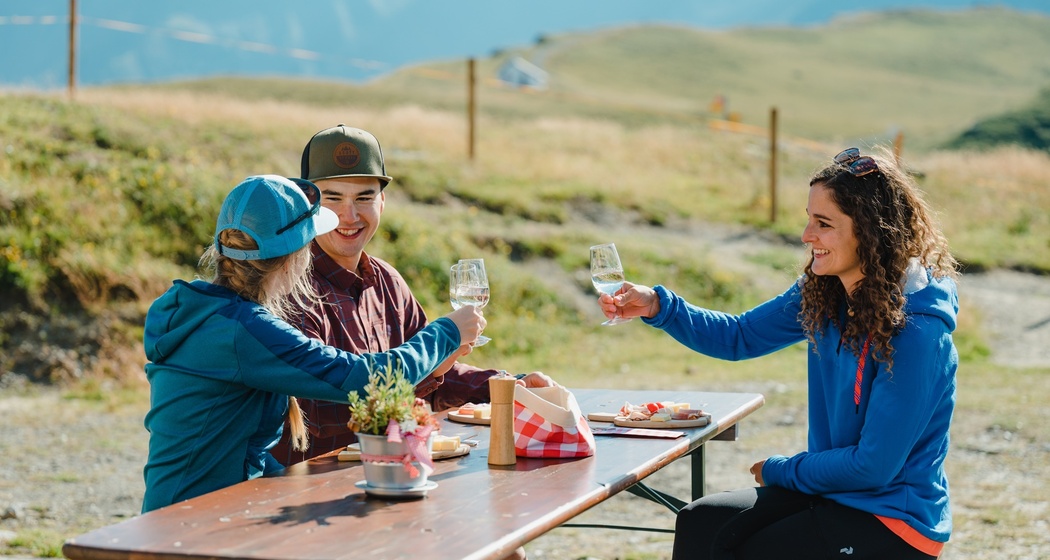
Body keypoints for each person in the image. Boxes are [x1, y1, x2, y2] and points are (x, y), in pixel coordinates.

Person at [599, 148, 958, 559]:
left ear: (871, 231)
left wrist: (780, 470)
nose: (807, 235)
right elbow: (739, 336)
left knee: (750, 550)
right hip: (834, 495)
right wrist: (658, 306)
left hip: (894, 521)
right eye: (809, 219)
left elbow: (874, 467)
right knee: (701, 521)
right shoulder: (824, 293)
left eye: (823, 224)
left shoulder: (918, 330)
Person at [141, 174, 484, 513]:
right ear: (296, 257)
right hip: (193, 525)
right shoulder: (243, 330)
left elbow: (242, 451)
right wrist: (447, 332)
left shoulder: (208, 312)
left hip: (200, 509)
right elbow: (367, 380)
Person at [270, 124, 555, 466]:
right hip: (305, 490)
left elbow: (438, 375)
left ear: (383, 202)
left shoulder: (388, 281)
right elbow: (323, 413)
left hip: (391, 474)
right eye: (333, 198)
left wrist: (510, 386)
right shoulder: (290, 288)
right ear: (308, 205)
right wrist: (430, 368)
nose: (350, 215)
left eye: (364, 198)